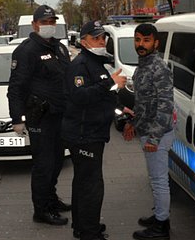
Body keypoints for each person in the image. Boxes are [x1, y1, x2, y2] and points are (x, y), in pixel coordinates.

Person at [7, 4, 72, 226]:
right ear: (35, 25)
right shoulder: (26, 51)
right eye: (44, 22)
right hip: (40, 118)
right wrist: (16, 119)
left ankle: (51, 199)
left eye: (52, 22)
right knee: (43, 165)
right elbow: (15, 87)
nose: (49, 26)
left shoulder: (60, 49)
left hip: (59, 115)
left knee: (56, 162)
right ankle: (41, 210)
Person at [62, 20, 126, 240]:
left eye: (102, 37)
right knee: (91, 185)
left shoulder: (95, 62)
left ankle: (83, 226)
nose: (101, 41)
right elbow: (80, 96)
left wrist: (118, 106)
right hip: (83, 135)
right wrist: (111, 83)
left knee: (83, 181)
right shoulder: (80, 65)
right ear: (83, 41)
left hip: (92, 132)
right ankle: (89, 231)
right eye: (95, 38)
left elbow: (101, 96)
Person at [123, 23, 174, 240]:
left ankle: (161, 227)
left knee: (159, 180)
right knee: (155, 178)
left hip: (158, 134)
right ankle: (160, 216)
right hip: (147, 129)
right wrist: (133, 122)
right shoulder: (142, 66)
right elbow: (143, 102)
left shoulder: (158, 68)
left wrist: (153, 137)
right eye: (137, 40)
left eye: (145, 40)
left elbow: (165, 105)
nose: (140, 45)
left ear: (156, 43)